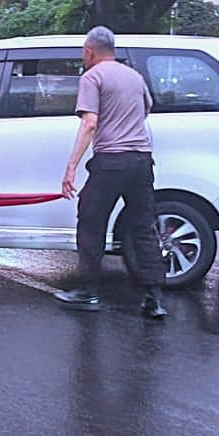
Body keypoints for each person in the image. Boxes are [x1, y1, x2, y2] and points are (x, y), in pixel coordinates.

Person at [54, 26, 168, 320]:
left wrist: (71, 166)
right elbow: (146, 108)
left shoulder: (92, 77)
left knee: (92, 222)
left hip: (111, 161)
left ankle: (88, 291)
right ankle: (154, 298)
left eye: (83, 52)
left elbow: (90, 123)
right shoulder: (134, 76)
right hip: (142, 161)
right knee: (143, 226)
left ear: (89, 51)